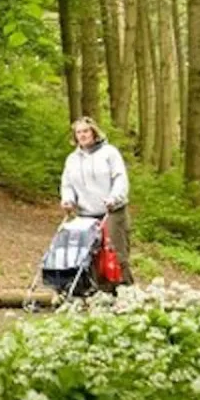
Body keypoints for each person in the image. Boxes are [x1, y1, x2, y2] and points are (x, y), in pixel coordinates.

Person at [60, 116, 133, 286]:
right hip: (86, 214)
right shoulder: (72, 159)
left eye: (86, 131)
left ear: (94, 132)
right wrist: (68, 200)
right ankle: (97, 291)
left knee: (116, 254)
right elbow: (67, 184)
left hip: (112, 211)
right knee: (89, 255)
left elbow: (120, 178)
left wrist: (114, 197)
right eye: (79, 132)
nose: (82, 135)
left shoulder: (109, 153)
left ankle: (125, 291)